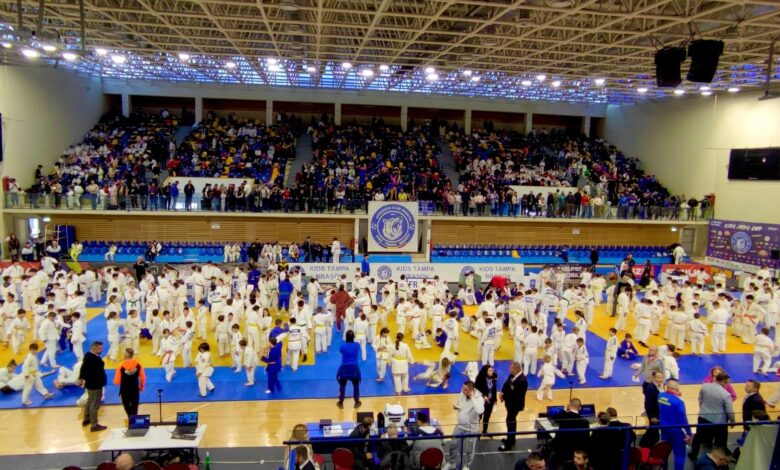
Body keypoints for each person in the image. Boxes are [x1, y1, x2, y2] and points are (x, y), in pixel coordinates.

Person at [690, 372, 735, 461]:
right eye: (727, 382)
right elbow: (729, 411)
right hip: (718, 421)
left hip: (703, 416)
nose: (728, 384)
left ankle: (693, 455)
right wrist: (732, 422)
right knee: (719, 443)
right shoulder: (726, 394)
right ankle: (718, 460)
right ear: (723, 382)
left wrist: (703, 409)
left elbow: (700, 400)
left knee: (698, 437)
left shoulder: (705, 386)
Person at [446, 381, 484, 470]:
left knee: (469, 450)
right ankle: (451, 463)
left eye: (465, 389)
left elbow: (480, 411)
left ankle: (467, 466)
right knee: (453, 445)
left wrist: (472, 398)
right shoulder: (462, 393)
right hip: (459, 426)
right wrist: (457, 407)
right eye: (462, 388)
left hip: (472, 429)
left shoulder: (479, 399)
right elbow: (460, 404)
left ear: (471, 390)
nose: (463, 391)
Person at [658, 379, 693, 470]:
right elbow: (683, 419)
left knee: (665, 451)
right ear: (677, 388)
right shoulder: (679, 402)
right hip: (676, 431)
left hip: (663, 428)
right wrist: (689, 433)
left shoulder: (660, 396)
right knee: (679, 455)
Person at [549, 398, 591, 469]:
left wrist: (565, 409)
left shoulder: (563, 417)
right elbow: (586, 439)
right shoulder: (585, 422)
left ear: (569, 405)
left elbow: (553, 418)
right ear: (580, 408)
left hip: (560, 450)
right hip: (575, 453)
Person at [498, 361, 528, 451]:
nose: (509, 370)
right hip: (509, 403)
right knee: (511, 421)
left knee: (510, 422)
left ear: (515, 369)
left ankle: (509, 444)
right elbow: (507, 384)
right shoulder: (513, 375)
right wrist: (502, 392)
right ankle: (511, 439)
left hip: (515, 405)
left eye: (510, 368)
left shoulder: (522, 381)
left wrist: (504, 397)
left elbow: (516, 395)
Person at [79, 341, 107, 431]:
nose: (101, 350)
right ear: (94, 348)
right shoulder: (92, 358)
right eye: (100, 348)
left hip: (91, 384)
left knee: (90, 401)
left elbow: (83, 368)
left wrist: (82, 378)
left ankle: (86, 419)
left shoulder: (88, 355)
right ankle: (94, 424)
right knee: (94, 404)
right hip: (95, 384)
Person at [113, 348, 145, 418]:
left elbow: (116, 381)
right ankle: (134, 417)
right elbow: (143, 377)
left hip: (124, 389)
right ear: (133, 355)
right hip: (135, 387)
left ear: (124, 355)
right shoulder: (138, 364)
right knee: (135, 403)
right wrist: (141, 386)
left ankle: (130, 415)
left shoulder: (121, 365)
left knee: (126, 403)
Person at [336, 330, 361, 409]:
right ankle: (356, 402)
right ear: (353, 337)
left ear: (346, 337)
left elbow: (341, 352)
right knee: (356, 385)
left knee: (342, 385)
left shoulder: (342, 346)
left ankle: (341, 402)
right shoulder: (357, 345)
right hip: (354, 367)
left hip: (345, 367)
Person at [474, 364, 498, 435]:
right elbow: (477, 389)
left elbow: (494, 388)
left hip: (490, 400)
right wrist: (483, 395)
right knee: (479, 416)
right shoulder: (479, 378)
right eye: (490, 371)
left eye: (492, 370)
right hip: (481, 401)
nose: (492, 372)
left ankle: (485, 431)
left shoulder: (493, 377)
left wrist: (495, 399)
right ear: (485, 371)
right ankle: (476, 431)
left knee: (487, 416)